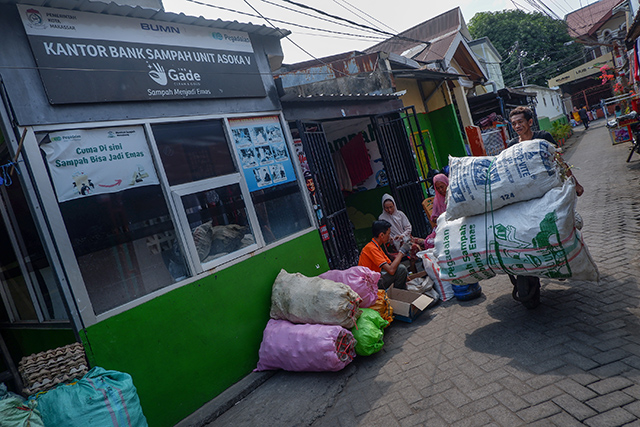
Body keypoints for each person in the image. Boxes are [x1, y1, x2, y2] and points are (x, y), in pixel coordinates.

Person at [508, 106, 584, 308]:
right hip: (526, 197)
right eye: (514, 123)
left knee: (563, 224)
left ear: (530, 122)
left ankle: (562, 260)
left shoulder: (543, 137)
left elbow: (559, 160)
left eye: (520, 122)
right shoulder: (511, 145)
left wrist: (574, 183)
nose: (517, 126)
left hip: (548, 193)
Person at [358, 220, 410, 290]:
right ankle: (397, 293)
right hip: (369, 285)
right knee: (401, 269)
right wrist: (402, 251)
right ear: (381, 235)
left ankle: (399, 291)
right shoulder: (371, 248)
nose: (389, 236)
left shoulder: (376, 246)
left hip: (373, 280)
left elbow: (391, 264)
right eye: (388, 234)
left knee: (401, 269)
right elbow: (391, 270)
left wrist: (404, 276)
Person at [424, 173, 449, 249]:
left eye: (442, 187)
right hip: (443, 226)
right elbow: (434, 218)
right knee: (429, 242)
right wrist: (440, 218)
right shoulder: (437, 200)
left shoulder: (453, 196)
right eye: (438, 188)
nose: (440, 190)